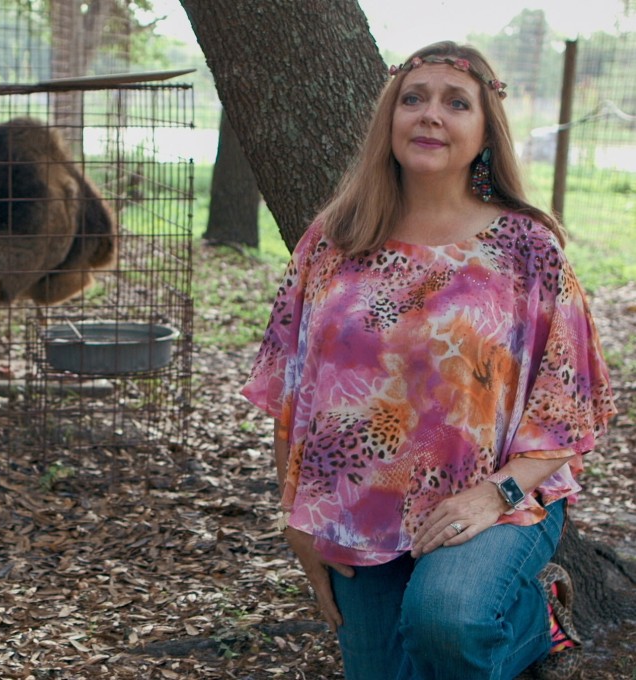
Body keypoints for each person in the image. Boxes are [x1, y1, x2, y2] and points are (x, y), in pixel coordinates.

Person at [241, 41, 616, 680]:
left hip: (496, 497)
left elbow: (569, 405)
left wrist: (494, 497)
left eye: (455, 102)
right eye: (412, 99)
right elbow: (291, 391)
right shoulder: (336, 240)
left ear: (484, 131)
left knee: (447, 620)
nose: (430, 115)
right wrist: (295, 516)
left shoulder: (528, 247)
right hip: (355, 508)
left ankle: (532, 620)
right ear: (390, 121)